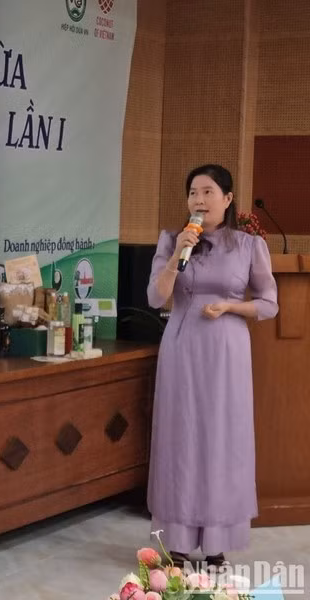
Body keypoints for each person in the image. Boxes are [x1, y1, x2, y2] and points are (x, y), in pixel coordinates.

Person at [146, 164, 279, 569]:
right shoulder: (172, 240)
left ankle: (216, 541)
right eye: (192, 193)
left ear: (228, 198)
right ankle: (178, 542)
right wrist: (175, 259)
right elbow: (155, 298)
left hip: (227, 353)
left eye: (207, 192)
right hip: (182, 350)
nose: (199, 200)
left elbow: (270, 303)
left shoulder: (248, 245)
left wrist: (230, 307)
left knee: (222, 440)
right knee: (181, 439)